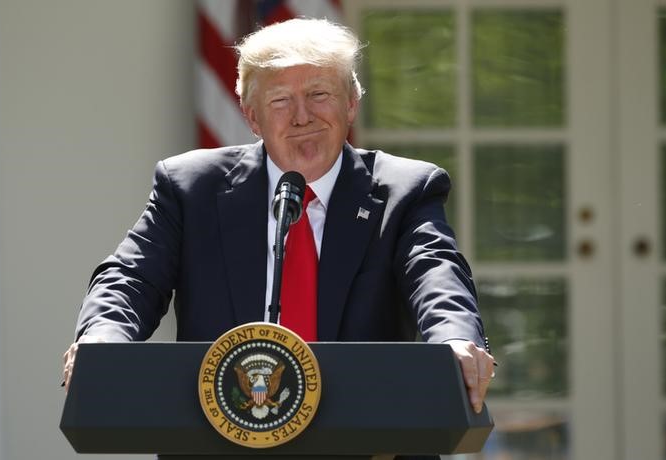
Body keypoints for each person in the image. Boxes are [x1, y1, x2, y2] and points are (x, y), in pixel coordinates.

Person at [63, 18, 495, 416]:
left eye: (319, 95)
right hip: (221, 435)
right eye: (281, 100)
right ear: (252, 117)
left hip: (370, 435)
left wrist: (455, 340)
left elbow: (438, 275)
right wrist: (103, 339)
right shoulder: (191, 188)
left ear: (351, 104)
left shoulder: (405, 190)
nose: (303, 116)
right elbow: (131, 278)